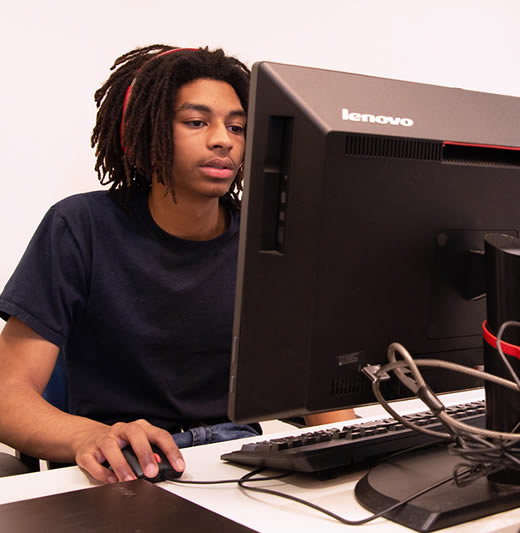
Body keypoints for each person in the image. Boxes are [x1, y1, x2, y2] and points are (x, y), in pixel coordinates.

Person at [0, 45, 260, 484]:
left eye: (237, 127)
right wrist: (90, 436)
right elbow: (8, 396)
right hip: (121, 463)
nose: (223, 139)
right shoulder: (80, 227)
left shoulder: (265, 240)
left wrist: (365, 435)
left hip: (236, 456)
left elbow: (309, 385)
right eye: (196, 122)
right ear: (147, 132)